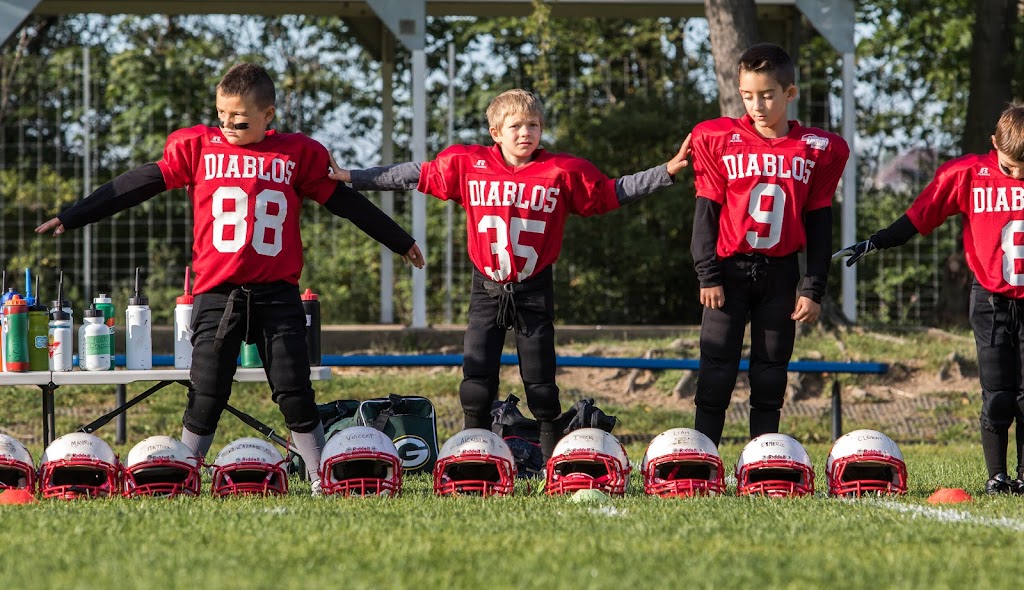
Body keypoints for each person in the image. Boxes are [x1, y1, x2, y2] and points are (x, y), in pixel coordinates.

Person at [35, 63, 424, 495]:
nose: (228, 125)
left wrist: (398, 239)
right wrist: (73, 215)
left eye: (239, 119)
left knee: (294, 389)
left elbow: (346, 203)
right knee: (206, 389)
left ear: (268, 115)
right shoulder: (198, 146)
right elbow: (138, 183)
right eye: (221, 115)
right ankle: (184, 474)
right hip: (218, 291)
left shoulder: (296, 153)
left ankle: (319, 476)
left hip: (277, 292)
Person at [329, 89, 690, 462]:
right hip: (487, 287)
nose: (525, 133)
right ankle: (474, 459)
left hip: (533, 287)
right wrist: (353, 176)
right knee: (476, 380)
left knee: (541, 385)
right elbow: (411, 175)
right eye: (515, 125)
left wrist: (664, 173)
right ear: (495, 132)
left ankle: (552, 464)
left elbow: (612, 191)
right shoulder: (468, 163)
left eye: (533, 125)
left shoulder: (561, 171)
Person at [835, 103, 1024, 496]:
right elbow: (921, 215)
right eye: (1010, 167)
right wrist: (878, 239)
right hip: (991, 299)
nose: (1018, 175)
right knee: (998, 393)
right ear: (993, 145)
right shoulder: (969, 174)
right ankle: (996, 476)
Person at [688, 43, 850, 447]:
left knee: (771, 373)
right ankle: (702, 457)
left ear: (789, 93)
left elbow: (819, 223)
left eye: (767, 94)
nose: (756, 105)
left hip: (780, 273)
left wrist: (812, 287)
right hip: (728, 270)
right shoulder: (718, 138)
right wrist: (707, 273)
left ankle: (762, 460)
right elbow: (706, 213)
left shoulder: (816, 149)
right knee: (716, 371)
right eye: (747, 95)